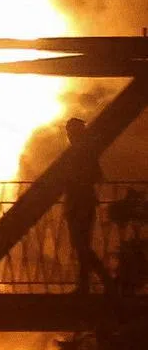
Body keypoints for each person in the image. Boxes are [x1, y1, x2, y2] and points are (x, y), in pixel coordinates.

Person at [63, 117, 112, 294]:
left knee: (80, 244)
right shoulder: (85, 152)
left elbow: (95, 176)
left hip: (80, 204)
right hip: (82, 203)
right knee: (82, 244)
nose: (68, 135)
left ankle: (101, 280)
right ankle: (89, 283)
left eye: (70, 131)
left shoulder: (80, 152)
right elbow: (98, 176)